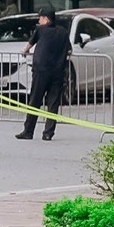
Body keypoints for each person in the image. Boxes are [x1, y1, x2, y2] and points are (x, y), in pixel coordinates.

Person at [17, 8, 72, 141]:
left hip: (41, 71)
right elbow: (69, 50)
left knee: (35, 100)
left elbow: (29, 45)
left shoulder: (41, 30)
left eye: (40, 18)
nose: (39, 20)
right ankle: (48, 133)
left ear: (46, 19)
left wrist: (24, 51)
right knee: (53, 103)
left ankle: (28, 131)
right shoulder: (63, 32)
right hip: (58, 72)